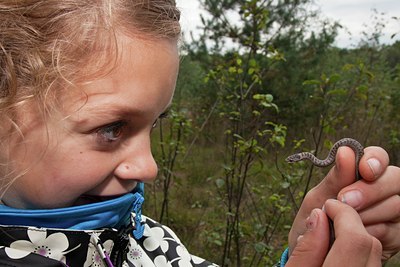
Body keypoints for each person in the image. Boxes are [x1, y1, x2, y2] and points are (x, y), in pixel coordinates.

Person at [0, 1, 399, 266]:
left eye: (156, 123)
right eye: (112, 128)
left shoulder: (144, 236)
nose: (149, 166)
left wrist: (305, 253)